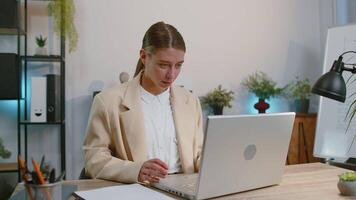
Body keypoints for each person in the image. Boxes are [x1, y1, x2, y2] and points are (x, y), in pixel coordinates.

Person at [83, 21, 204, 184]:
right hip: (138, 189)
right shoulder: (107, 101)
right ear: (143, 56)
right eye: (163, 65)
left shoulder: (191, 102)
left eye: (178, 66)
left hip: (185, 188)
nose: (172, 75)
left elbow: (199, 154)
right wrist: (135, 170)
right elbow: (94, 160)